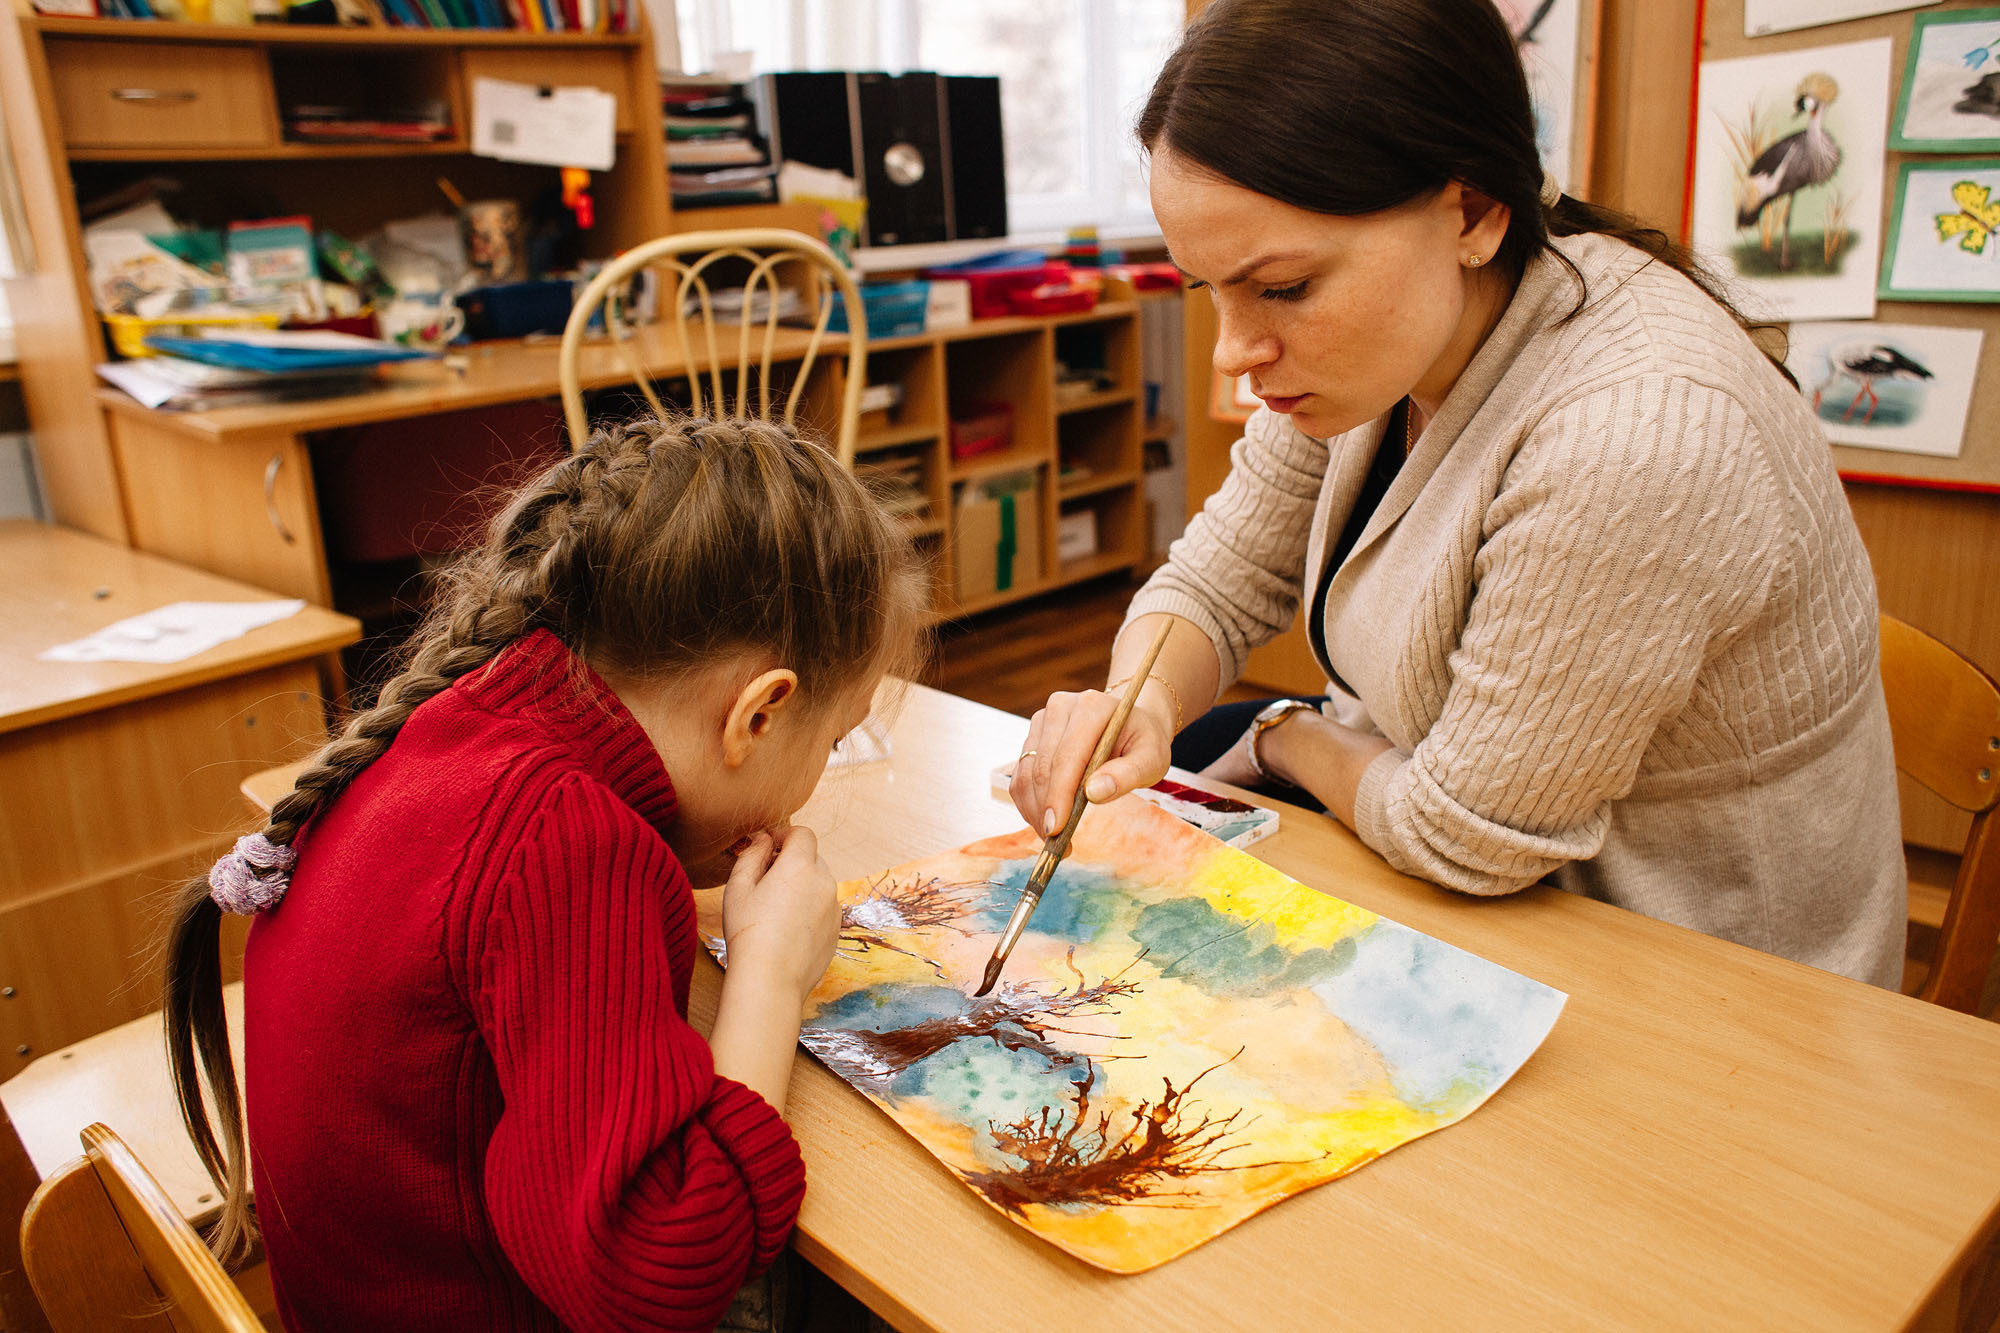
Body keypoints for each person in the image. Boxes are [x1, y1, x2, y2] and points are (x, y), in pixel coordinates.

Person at [1012, 0, 1905, 987]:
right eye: (1203, 289)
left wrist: (1282, 735)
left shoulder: (1633, 430)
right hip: (1472, 886)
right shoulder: (1379, 350)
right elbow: (1217, 582)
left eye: (1283, 287)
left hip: (1704, 985)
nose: (1234, 354)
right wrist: (1130, 698)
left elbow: (1468, 837)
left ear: (1472, 213)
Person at [163, 415, 928, 1331]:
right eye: (833, 741)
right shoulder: (568, 839)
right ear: (760, 713)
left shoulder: (468, 717)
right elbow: (663, 1269)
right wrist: (771, 971)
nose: (817, 778)